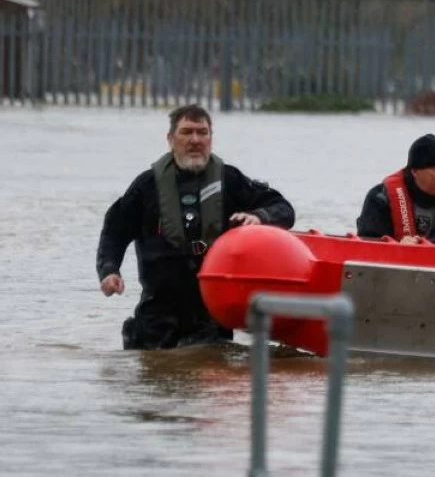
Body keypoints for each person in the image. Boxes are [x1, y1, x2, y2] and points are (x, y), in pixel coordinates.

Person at [96, 105, 295, 350]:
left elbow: (283, 209)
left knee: (208, 360)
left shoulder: (230, 181)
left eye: (202, 132)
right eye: (187, 132)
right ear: (171, 139)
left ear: (211, 138)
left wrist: (259, 216)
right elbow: (115, 230)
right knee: (154, 366)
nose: (195, 140)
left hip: (210, 315)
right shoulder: (146, 186)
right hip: (156, 314)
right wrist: (109, 271)